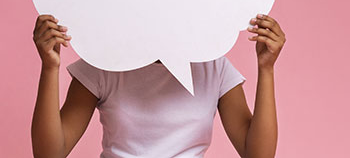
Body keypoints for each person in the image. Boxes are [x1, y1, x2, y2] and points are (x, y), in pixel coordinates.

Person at [31, 13, 286, 158]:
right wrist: (49, 67)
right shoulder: (104, 64)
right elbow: (50, 154)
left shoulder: (214, 67)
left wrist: (267, 68)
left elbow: (258, 156)